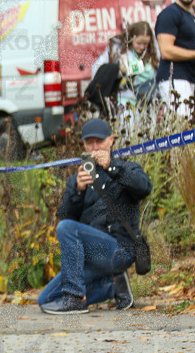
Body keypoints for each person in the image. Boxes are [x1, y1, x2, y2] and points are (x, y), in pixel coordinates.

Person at [37, 118, 152, 315]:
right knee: (45, 299)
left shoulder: (126, 168)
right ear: (83, 145)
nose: (95, 147)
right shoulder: (79, 178)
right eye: (89, 143)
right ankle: (114, 287)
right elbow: (65, 217)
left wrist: (111, 168)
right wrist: (78, 190)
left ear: (111, 140)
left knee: (66, 228)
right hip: (92, 257)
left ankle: (75, 298)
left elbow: (144, 187)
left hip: (119, 251)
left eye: (99, 141)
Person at [89, 21, 159, 112]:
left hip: (148, 98)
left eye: (145, 44)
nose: (142, 47)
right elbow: (97, 68)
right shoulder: (117, 50)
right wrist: (119, 70)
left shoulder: (153, 52)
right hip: (124, 97)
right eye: (138, 43)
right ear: (131, 38)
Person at [155, 0, 195, 119]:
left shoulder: (190, 17)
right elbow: (166, 51)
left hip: (189, 78)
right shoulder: (170, 14)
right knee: (183, 125)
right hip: (174, 79)